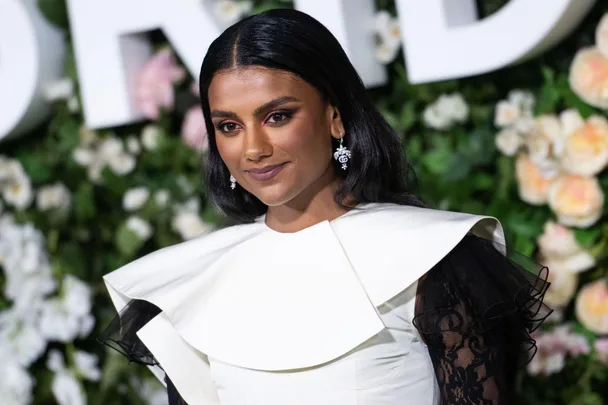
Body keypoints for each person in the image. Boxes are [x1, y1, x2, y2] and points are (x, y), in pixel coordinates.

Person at [98, 8, 553, 405]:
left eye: (277, 116)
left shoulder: (430, 256)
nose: (253, 149)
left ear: (335, 115)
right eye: (229, 126)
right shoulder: (189, 285)